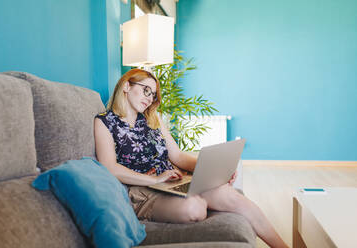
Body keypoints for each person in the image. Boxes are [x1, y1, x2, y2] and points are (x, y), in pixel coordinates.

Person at [94, 69, 289, 248]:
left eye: (152, 94)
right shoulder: (104, 122)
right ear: (127, 86)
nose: (149, 98)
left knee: (227, 194)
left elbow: (177, 156)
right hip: (141, 191)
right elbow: (110, 168)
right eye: (146, 90)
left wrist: (213, 169)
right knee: (195, 209)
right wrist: (154, 180)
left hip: (171, 180)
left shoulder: (152, 118)